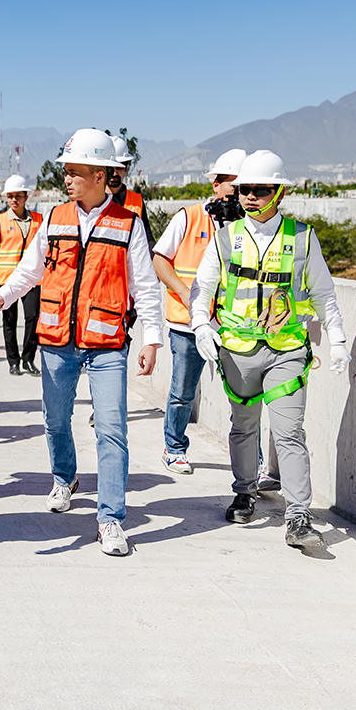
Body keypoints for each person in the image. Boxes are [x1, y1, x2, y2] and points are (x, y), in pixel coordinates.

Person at [0, 128, 163, 556]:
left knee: (112, 429)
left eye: (75, 172)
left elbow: (146, 286)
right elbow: (31, 269)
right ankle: (64, 478)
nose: (67, 179)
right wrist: (3, 296)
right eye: (65, 171)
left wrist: (152, 339)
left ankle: (110, 519)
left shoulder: (128, 224)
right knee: (55, 420)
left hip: (106, 343)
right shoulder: (55, 218)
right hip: (57, 341)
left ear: (100, 175)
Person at [189, 149, 349, 549]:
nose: (250, 196)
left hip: (286, 349)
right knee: (244, 426)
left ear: (279, 193)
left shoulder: (302, 238)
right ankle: (244, 492)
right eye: (245, 189)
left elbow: (324, 293)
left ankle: (298, 516)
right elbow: (202, 287)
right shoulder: (226, 238)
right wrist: (201, 326)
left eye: (260, 190)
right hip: (238, 350)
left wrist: (338, 340)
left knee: (289, 431)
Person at [151, 148, 246, 474]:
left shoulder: (248, 225)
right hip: (188, 325)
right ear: (216, 184)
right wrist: (187, 295)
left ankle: (253, 461)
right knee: (182, 392)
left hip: (234, 325)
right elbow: (160, 260)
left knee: (245, 399)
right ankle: (174, 448)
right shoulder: (188, 217)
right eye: (235, 186)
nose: (241, 194)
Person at [0, 174, 42, 376]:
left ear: (26, 196)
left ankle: (28, 359)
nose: (14, 200)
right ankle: (13, 361)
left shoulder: (38, 220)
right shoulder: (0, 220)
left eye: (18, 196)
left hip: (32, 279)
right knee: (9, 321)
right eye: (10, 196)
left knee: (33, 317)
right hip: (5, 279)